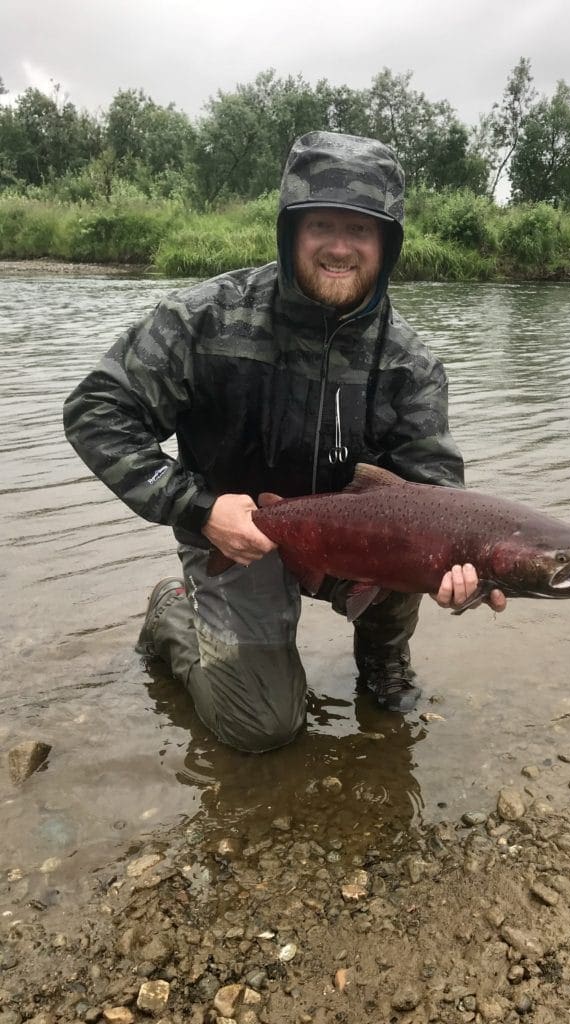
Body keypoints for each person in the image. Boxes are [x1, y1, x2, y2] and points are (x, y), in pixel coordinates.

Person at [63, 130, 505, 754]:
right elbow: (96, 411)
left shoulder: (409, 363)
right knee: (262, 729)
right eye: (322, 224)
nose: (340, 247)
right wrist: (198, 508)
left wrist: (462, 561)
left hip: (348, 545)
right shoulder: (204, 319)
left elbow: (432, 490)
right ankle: (172, 614)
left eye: (362, 230)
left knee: (410, 542)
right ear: (291, 230)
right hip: (232, 538)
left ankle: (382, 657)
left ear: (388, 243)